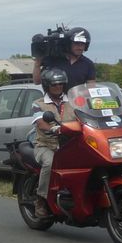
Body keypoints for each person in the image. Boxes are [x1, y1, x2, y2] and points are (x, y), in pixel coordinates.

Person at [31, 68, 76, 217]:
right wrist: (55, 129)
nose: (58, 87)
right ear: (46, 85)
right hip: (46, 145)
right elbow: (41, 123)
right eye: (54, 84)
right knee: (49, 163)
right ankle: (41, 200)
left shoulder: (73, 101)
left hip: (70, 145)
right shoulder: (38, 104)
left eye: (61, 84)